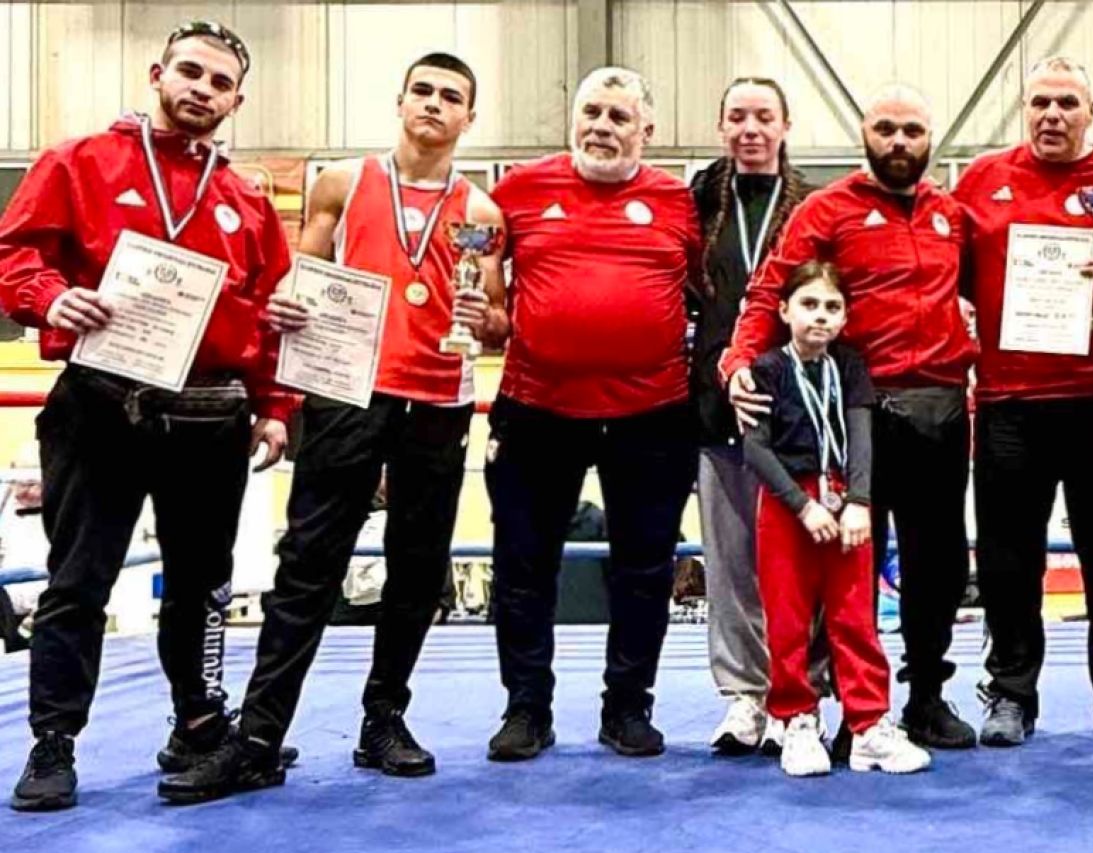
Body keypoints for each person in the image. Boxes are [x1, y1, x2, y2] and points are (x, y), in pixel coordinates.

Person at [159, 52, 505, 805]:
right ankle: (258, 737)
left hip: (439, 399)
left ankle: (384, 719)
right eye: (423, 91)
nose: (434, 105)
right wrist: (283, 305)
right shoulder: (344, 183)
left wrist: (486, 317)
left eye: (451, 97)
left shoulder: (480, 212)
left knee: (419, 568)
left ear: (469, 118)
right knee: (308, 563)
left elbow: (498, 323)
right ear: (400, 100)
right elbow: (296, 280)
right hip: (347, 392)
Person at [0, 21, 297, 812]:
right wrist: (48, 297)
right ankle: (53, 743)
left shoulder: (246, 198)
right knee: (78, 581)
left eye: (221, 83)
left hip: (210, 417)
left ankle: (198, 726)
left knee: (203, 587)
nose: (203, 90)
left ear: (237, 102)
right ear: (158, 73)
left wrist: (275, 408)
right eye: (190, 72)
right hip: (101, 405)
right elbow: (14, 254)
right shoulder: (79, 161)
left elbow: (271, 309)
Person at [723, 85, 980, 753]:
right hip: (855, 417)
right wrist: (739, 362)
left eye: (912, 131)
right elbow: (771, 290)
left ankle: (926, 697)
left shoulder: (952, 214)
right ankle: (857, 713)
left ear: (931, 139)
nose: (899, 142)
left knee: (938, 567)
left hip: (942, 412)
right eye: (886, 128)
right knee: (848, 570)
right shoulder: (825, 210)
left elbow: (999, 289)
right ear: (864, 134)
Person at [476, 67, 703, 762]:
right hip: (537, 408)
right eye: (592, 112)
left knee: (646, 567)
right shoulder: (516, 191)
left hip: (654, 412)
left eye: (618, 116)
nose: (602, 127)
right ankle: (526, 707)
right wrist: (478, 319)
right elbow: (485, 299)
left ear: (647, 131)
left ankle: (628, 707)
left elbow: (712, 291)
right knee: (523, 563)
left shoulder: (680, 202)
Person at [953, 57, 1093, 749]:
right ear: (1025, 108)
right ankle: (1010, 694)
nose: (1052, 114)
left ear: (1091, 112)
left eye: (1067, 103)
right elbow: (948, 276)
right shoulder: (981, 180)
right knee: (1008, 561)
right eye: (1040, 101)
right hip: (1009, 402)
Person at [743, 260, 930, 777]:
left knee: (855, 618)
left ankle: (868, 724)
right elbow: (755, 449)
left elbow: (861, 437)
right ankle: (797, 720)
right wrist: (801, 505)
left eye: (832, 307)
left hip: (846, 501)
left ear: (846, 317)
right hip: (786, 504)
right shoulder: (766, 369)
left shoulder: (849, 366)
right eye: (809, 305)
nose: (820, 316)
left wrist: (861, 502)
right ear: (784, 310)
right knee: (787, 619)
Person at [689, 77, 822, 758]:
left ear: (785, 125)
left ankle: (801, 693)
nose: (750, 129)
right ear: (721, 126)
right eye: (737, 116)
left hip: (797, 409)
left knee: (803, 560)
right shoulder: (695, 202)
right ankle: (744, 694)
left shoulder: (815, 206)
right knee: (731, 559)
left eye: (763, 117)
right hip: (718, 404)